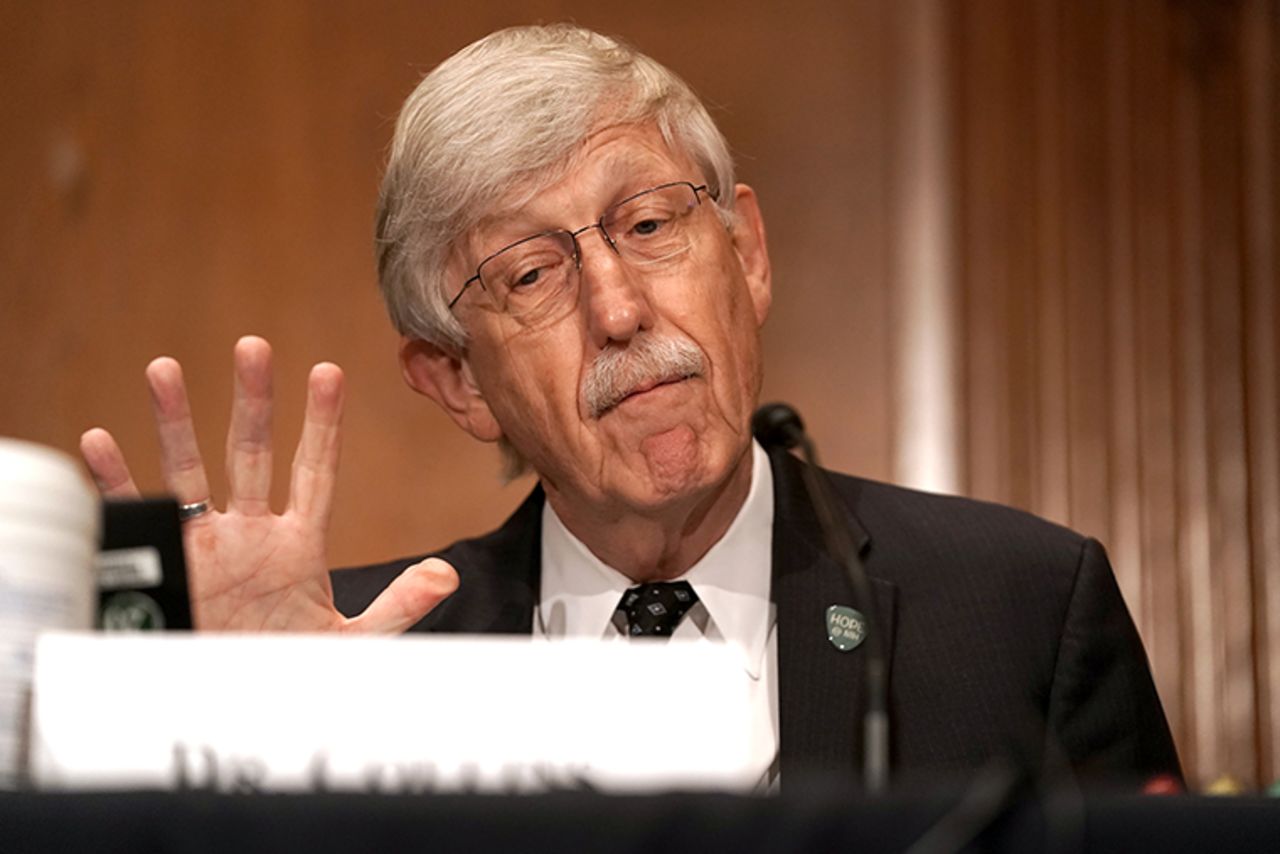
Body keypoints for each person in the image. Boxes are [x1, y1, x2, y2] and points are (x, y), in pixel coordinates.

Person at [80, 24, 1180, 787]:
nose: (616, 307)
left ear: (744, 252)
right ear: (460, 381)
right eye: (528, 274)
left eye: (648, 224)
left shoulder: (1019, 611)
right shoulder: (359, 672)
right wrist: (224, 744)